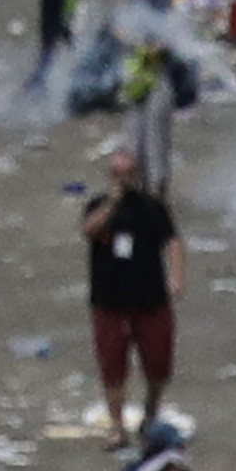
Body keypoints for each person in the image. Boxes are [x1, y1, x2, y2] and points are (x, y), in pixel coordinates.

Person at [81, 147, 182, 431]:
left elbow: (172, 241)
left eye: (128, 175)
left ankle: (151, 412)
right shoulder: (99, 206)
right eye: (118, 175)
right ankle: (116, 425)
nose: (124, 181)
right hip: (109, 300)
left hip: (149, 299)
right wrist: (112, 205)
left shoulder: (152, 208)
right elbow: (88, 230)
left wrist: (176, 277)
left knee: (158, 362)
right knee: (112, 366)